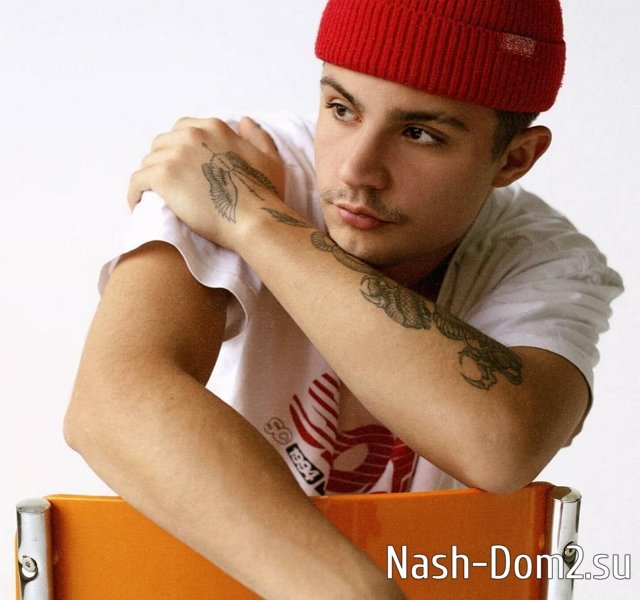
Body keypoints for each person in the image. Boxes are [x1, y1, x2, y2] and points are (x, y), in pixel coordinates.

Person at [64, 0, 622, 598]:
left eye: (420, 134)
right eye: (341, 108)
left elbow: (500, 448)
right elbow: (112, 405)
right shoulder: (229, 161)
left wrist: (254, 221)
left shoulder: (542, 257)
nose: (357, 170)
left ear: (514, 159)